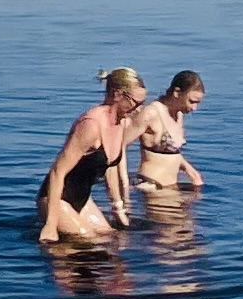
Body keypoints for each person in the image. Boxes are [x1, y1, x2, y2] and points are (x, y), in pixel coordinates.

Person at [36, 69, 150, 246]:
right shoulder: (91, 125)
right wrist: (50, 225)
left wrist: (117, 207)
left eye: (142, 103)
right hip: (57, 198)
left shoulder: (122, 123)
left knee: (110, 239)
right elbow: (57, 172)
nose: (138, 110)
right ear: (117, 94)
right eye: (135, 103)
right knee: (87, 243)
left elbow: (110, 165)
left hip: (82, 198)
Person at [124, 70, 207, 192]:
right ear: (177, 92)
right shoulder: (151, 113)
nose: (194, 108)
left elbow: (171, 153)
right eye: (192, 101)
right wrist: (123, 183)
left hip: (170, 187)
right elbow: (119, 146)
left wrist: (190, 170)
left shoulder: (178, 114)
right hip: (151, 186)